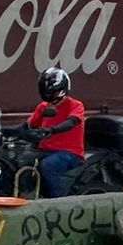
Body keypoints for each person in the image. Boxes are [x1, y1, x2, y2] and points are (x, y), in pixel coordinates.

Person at [27, 66, 85, 197]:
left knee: (48, 166)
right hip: (44, 149)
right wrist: (6, 131)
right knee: (21, 160)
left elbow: (72, 122)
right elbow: (29, 124)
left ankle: (59, 202)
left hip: (70, 152)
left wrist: (52, 130)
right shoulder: (43, 106)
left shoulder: (76, 105)